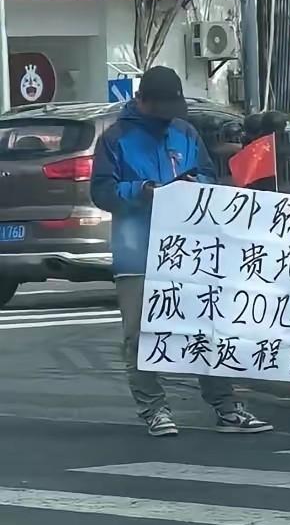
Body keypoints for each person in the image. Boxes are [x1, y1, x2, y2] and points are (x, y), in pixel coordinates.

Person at [91, 66, 273, 437]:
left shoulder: (185, 132)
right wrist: (142, 191)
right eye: (160, 110)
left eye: (171, 110)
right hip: (138, 250)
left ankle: (226, 406)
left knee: (206, 327)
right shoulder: (115, 138)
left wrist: (193, 184)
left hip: (189, 250)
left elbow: (208, 174)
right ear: (141, 101)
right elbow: (102, 192)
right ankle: (154, 409)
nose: (166, 118)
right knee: (140, 335)